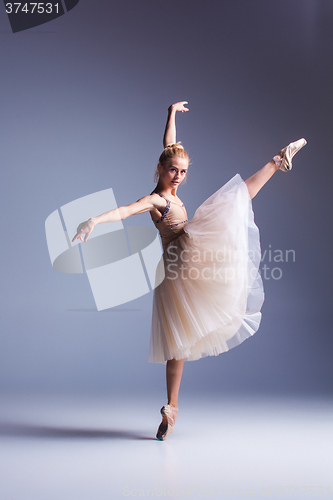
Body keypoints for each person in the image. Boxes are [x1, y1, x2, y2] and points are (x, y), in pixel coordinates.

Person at [72, 101, 306, 441]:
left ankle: (172, 407)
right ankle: (277, 161)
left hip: (185, 255)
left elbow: (169, 144)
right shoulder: (157, 200)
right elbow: (125, 210)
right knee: (231, 204)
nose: (178, 176)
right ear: (160, 170)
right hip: (181, 264)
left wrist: (170, 114)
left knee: (233, 204)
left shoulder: (171, 173)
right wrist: (94, 220)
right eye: (172, 171)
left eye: (182, 171)